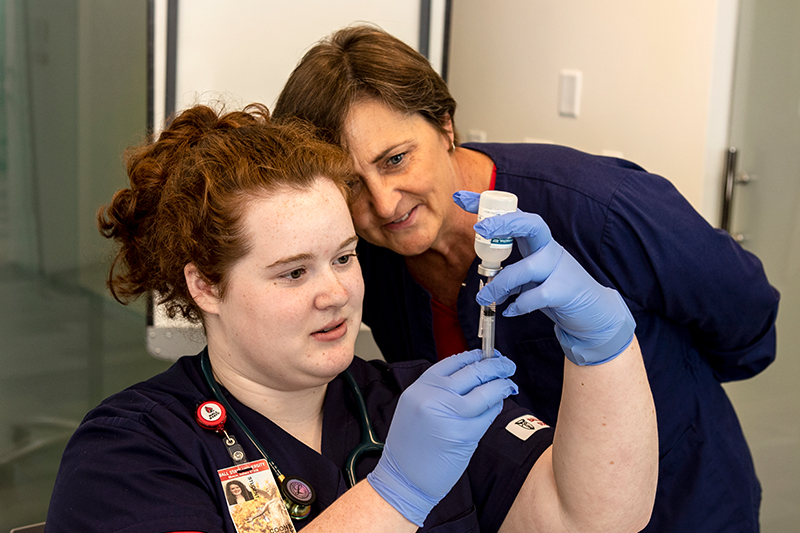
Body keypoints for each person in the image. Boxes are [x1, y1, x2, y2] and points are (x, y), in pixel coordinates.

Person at [45, 104, 656, 532]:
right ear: (205, 284)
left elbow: (591, 519)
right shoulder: (131, 449)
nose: (335, 293)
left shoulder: (416, 401)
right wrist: (396, 495)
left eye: (343, 257)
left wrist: (604, 346)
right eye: (293, 272)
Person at [273, 24, 781, 532]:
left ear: (445, 126)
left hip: (681, 503)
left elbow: (748, 322)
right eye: (350, 184)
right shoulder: (367, 260)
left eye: (396, 159)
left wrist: (655, 385)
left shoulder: (600, 207)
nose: (383, 203)